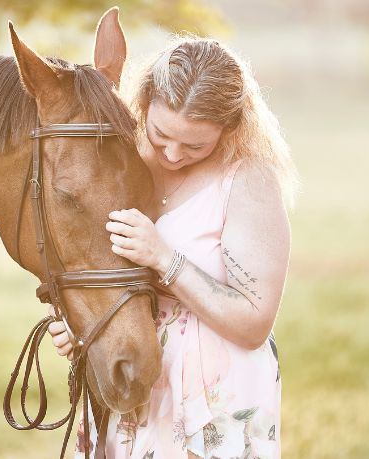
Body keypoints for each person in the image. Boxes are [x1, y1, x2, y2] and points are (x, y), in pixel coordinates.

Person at [48, 35, 298, 459]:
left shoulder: (247, 180)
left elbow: (254, 323)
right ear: (145, 102)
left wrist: (164, 258)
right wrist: (84, 326)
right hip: (133, 378)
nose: (172, 153)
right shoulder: (123, 159)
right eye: (160, 133)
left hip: (214, 397)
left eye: (195, 145)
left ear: (231, 127)